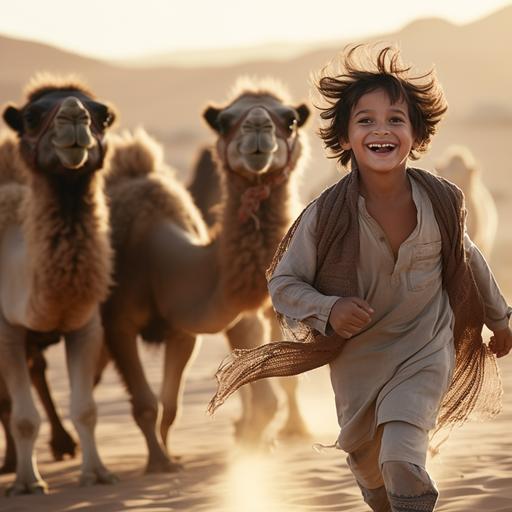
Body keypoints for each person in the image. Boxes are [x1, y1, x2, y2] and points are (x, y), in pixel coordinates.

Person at [208, 44, 512, 512]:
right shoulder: (325, 216)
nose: (381, 130)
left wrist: (501, 316)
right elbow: (283, 284)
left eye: (395, 119)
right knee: (369, 466)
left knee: (402, 460)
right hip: (356, 361)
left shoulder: (442, 202)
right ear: (346, 138)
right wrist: (329, 309)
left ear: (416, 134)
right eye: (365, 120)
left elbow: (468, 259)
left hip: (423, 350)